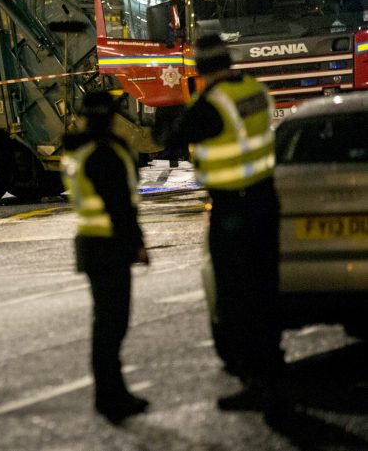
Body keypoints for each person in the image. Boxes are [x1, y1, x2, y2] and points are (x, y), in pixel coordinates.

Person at [156, 33, 285, 414]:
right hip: (265, 202)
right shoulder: (255, 91)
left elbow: (169, 136)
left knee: (236, 298)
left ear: (200, 69)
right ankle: (273, 372)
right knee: (265, 292)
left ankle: (254, 381)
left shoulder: (211, 105)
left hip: (234, 212)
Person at [61, 90, 150, 423]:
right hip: (110, 247)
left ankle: (111, 392)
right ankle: (111, 396)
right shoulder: (106, 153)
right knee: (112, 325)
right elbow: (120, 207)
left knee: (107, 324)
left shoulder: (78, 151)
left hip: (91, 245)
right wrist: (137, 244)